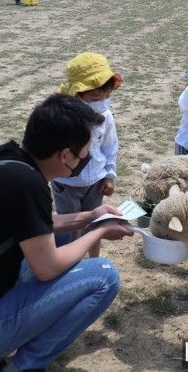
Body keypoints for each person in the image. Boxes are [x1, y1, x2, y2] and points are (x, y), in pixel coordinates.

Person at [0, 94, 133, 372]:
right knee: (105, 276)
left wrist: (90, 216)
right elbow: (47, 269)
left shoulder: (3, 157)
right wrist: (99, 232)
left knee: (56, 239)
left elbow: (34, 225)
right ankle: (21, 367)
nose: (86, 159)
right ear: (65, 155)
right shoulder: (28, 185)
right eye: (84, 154)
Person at [53, 52, 123, 257]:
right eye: (95, 97)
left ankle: (93, 260)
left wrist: (109, 175)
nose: (101, 101)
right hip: (67, 185)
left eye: (106, 96)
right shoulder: (64, 118)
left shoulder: (106, 116)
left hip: (95, 183)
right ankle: (69, 262)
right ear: (78, 94)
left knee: (95, 223)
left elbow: (110, 147)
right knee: (70, 228)